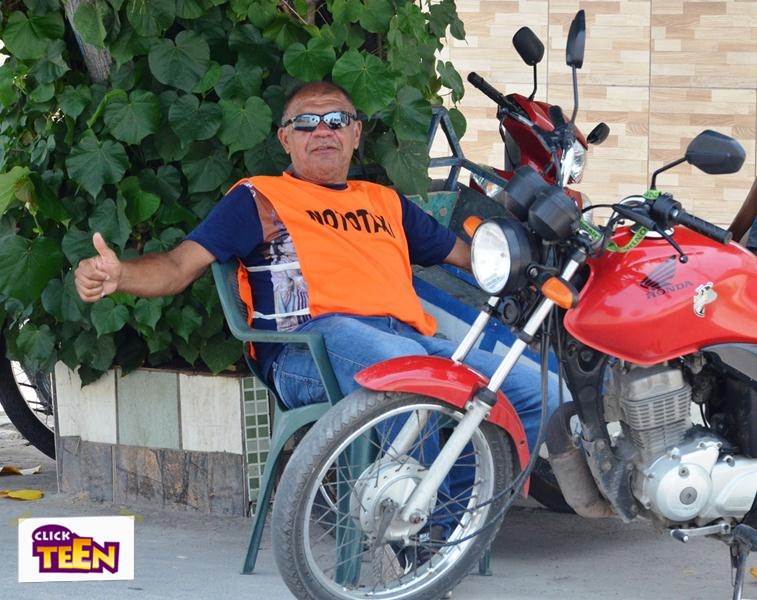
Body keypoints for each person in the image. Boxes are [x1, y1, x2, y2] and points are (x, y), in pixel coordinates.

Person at [75, 80, 560, 452]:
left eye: (336, 119)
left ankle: (464, 508)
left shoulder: (384, 202)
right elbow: (179, 265)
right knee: (413, 376)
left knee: (537, 393)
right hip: (309, 346)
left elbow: (470, 259)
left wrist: (534, 267)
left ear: (355, 133)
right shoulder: (260, 198)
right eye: (306, 122)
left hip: (409, 340)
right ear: (285, 139)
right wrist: (122, 275)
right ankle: (424, 532)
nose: (322, 130)